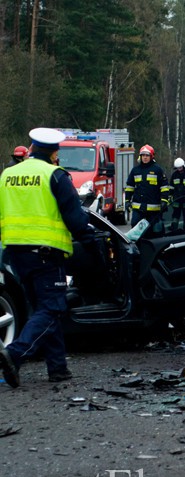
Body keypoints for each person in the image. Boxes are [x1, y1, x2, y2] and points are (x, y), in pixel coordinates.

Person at [0, 128, 96, 388]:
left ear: (31, 148)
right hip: (46, 255)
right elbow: (76, 220)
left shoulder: (7, 175)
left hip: (16, 255)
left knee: (43, 310)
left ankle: (58, 369)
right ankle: (15, 353)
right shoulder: (55, 175)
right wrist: (92, 241)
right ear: (55, 153)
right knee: (52, 308)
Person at [124, 144, 169, 236]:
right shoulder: (135, 170)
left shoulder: (158, 170)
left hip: (154, 209)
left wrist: (164, 201)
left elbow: (164, 187)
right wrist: (127, 201)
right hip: (138, 208)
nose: (145, 158)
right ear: (140, 156)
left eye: (147, 155)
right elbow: (130, 187)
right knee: (135, 230)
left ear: (151, 156)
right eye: (143, 155)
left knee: (154, 231)